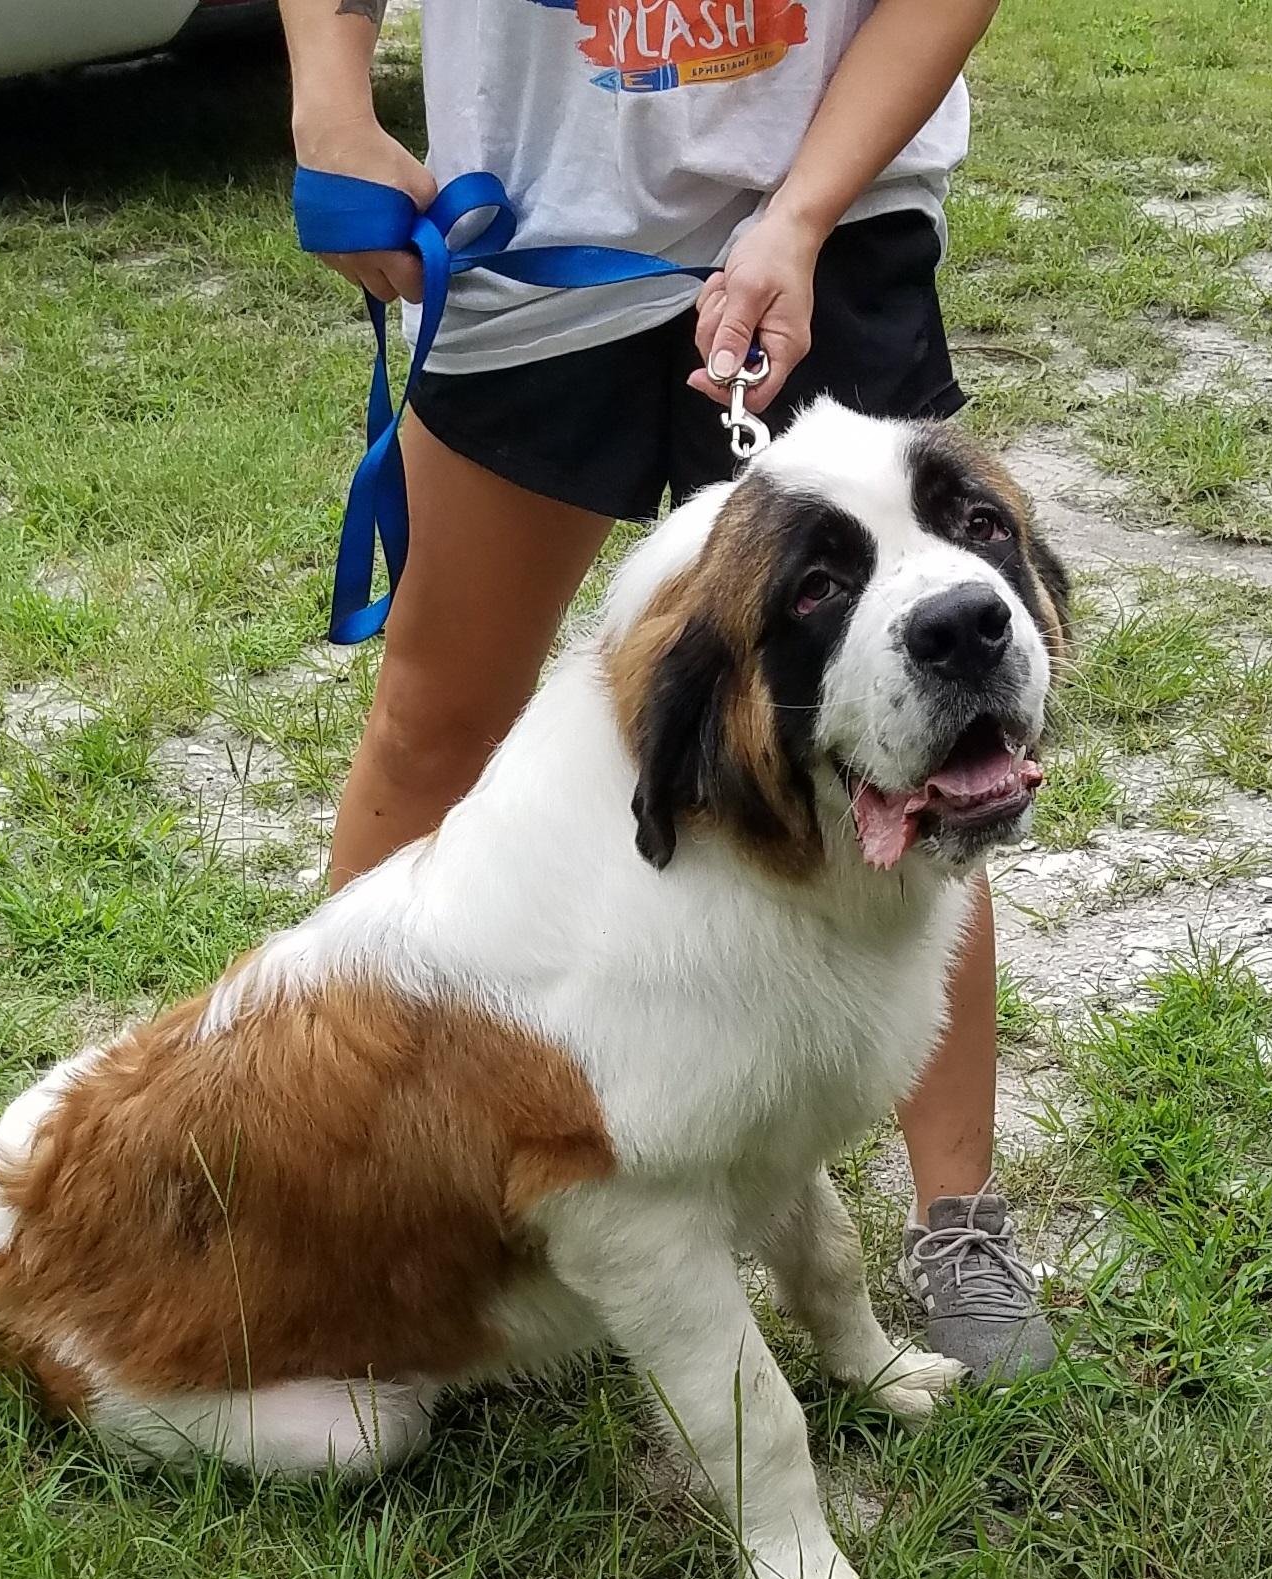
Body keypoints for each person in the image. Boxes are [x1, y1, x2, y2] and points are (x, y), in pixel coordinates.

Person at [277, 0, 1054, 1380]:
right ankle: (335, 1165)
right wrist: (329, 106)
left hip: (828, 207)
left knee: (922, 747)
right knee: (435, 716)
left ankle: (957, 1222)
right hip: (531, 221)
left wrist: (800, 214)